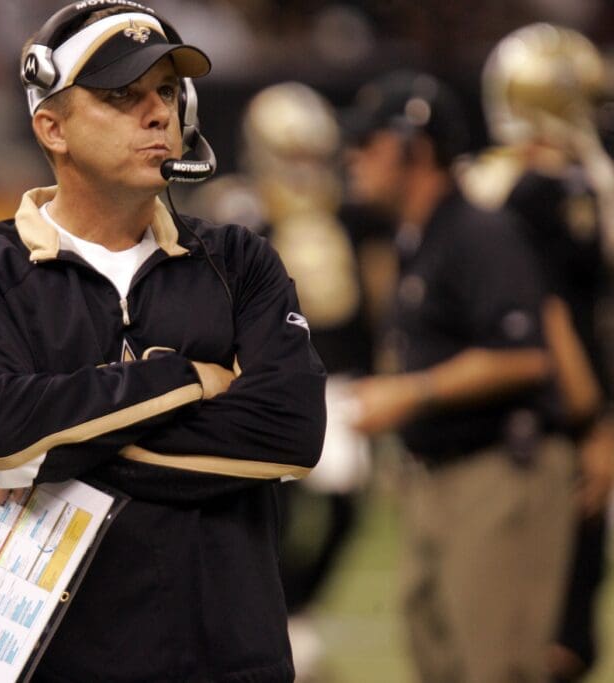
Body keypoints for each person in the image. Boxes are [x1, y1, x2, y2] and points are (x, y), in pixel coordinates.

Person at [0, 2, 327, 681]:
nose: (158, 112)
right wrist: (189, 378)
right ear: (52, 126)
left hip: (222, 664)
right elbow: (2, 429)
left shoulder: (239, 260)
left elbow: (290, 430)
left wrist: (57, 452)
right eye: (120, 95)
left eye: (166, 91)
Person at [343, 70, 581, 683]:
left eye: (367, 143)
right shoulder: (418, 238)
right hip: (441, 476)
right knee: (438, 656)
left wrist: (411, 393)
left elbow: (525, 355)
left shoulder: (479, 232)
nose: (353, 158)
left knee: (495, 665)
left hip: (498, 470)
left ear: (413, 148)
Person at [463, 23, 614, 682]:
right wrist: (595, 422)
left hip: (501, 418)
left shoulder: (482, 181)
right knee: (560, 631)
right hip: (555, 418)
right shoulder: (551, 191)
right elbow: (555, 312)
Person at [238, 81, 396, 681]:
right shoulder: (244, 214)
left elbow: (377, 294)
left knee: (346, 509)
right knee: (277, 508)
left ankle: (297, 607)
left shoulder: (351, 215)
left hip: (346, 382)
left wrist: (387, 367)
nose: (303, 168)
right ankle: (279, 618)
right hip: (277, 383)